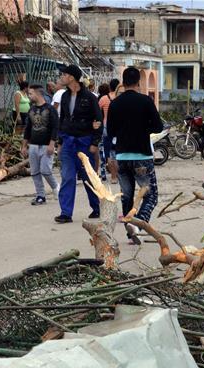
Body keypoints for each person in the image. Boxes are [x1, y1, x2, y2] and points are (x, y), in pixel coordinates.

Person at [107, 66, 163, 244]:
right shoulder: (145, 101)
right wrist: (142, 128)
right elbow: (158, 127)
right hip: (142, 156)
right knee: (150, 195)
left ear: (123, 83)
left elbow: (110, 131)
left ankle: (130, 232)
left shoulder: (115, 103)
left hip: (122, 157)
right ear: (139, 83)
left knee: (127, 195)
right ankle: (138, 225)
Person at [54, 64, 103, 224]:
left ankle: (96, 207)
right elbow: (63, 120)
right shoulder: (65, 96)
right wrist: (60, 142)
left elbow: (98, 120)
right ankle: (66, 213)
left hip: (84, 143)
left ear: (72, 77)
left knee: (88, 177)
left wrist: (95, 142)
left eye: (64, 74)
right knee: (67, 177)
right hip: (68, 142)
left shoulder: (89, 97)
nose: (62, 77)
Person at [22, 83, 59, 207]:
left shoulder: (50, 109)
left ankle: (55, 187)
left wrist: (52, 144)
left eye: (31, 93)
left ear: (38, 94)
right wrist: (24, 145)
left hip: (46, 145)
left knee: (45, 170)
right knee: (35, 172)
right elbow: (27, 128)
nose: (29, 96)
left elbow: (55, 127)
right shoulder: (31, 109)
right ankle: (40, 195)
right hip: (33, 145)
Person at [99, 79, 119, 183]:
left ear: (110, 87)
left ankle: (113, 177)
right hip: (119, 127)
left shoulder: (103, 98)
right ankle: (119, 175)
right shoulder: (120, 98)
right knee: (117, 152)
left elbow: (97, 112)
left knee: (109, 152)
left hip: (107, 126)